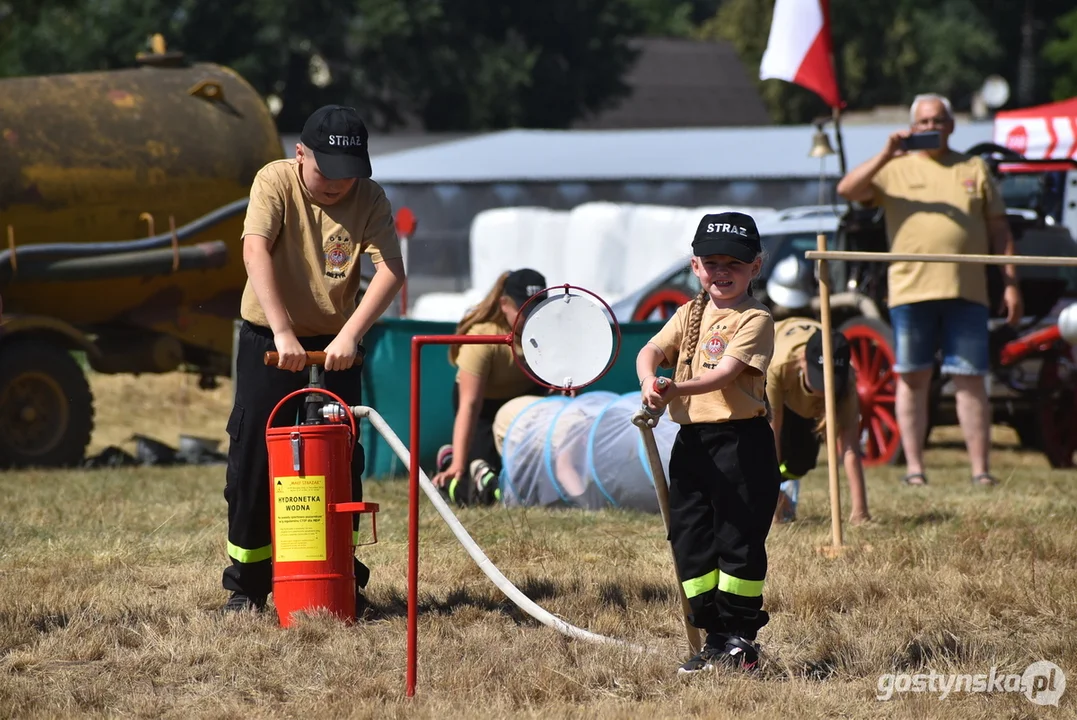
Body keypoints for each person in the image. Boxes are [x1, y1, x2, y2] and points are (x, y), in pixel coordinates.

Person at [222, 105, 405, 613]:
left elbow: (391, 270)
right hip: (269, 345)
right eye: (326, 171)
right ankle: (248, 585)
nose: (338, 184)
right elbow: (255, 251)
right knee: (255, 461)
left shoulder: (369, 197)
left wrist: (349, 334)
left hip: (335, 349)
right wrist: (282, 331)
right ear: (300, 154)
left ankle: (340, 578)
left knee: (340, 461)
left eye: (349, 174)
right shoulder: (275, 182)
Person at [836, 93, 1023, 487]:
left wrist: (1010, 283)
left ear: (951, 125)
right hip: (910, 291)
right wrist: (887, 152)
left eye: (938, 120)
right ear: (912, 127)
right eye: (922, 122)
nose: (930, 128)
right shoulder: (895, 168)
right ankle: (915, 470)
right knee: (912, 378)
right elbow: (848, 190)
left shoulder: (973, 167)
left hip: (968, 290)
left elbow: (1000, 229)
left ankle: (980, 471)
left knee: (971, 378)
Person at [635, 211, 781, 675]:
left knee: (737, 538)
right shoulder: (689, 313)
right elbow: (651, 351)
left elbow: (725, 375)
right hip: (692, 442)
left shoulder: (755, 319)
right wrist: (647, 380)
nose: (722, 273)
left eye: (733, 265)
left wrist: (676, 389)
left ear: (755, 267)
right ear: (695, 266)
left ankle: (739, 639)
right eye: (712, 263)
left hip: (740, 444)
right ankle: (713, 636)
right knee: (690, 537)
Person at [431, 269, 549, 507]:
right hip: (483, 409)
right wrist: (458, 466)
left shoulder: (552, 334)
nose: (534, 320)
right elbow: (469, 405)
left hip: (524, 410)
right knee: (477, 486)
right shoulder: (483, 338)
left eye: (540, 311)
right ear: (504, 304)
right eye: (526, 313)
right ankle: (450, 460)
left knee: (524, 479)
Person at [767, 317, 871, 525]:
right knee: (764, 455)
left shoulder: (848, 379)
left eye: (831, 384)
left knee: (801, 462)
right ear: (804, 362)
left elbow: (850, 447)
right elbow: (771, 436)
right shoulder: (779, 368)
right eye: (819, 379)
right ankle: (770, 490)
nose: (825, 389)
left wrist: (861, 513)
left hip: (805, 403)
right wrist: (773, 502)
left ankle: (786, 479)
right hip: (781, 389)